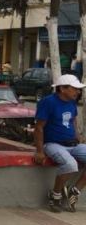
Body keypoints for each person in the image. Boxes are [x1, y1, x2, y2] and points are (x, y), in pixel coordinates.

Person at [33, 74, 86, 213]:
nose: (78, 92)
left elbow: (73, 120)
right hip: (53, 144)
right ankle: (55, 195)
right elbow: (39, 127)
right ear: (63, 89)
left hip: (72, 144)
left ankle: (74, 191)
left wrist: (78, 136)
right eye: (75, 89)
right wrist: (39, 151)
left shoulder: (72, 102)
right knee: (70, 165)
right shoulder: (48, 102)